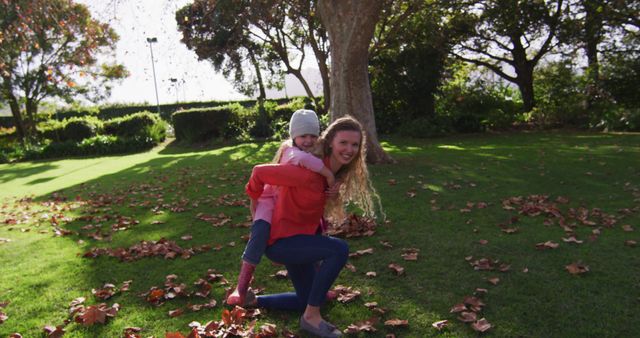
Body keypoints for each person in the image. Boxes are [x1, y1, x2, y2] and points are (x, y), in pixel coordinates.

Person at [244, 116, 381, 337]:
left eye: (355, 144)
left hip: (299, 239)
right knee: (339, 249)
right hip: (282, 241)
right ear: (329, 143)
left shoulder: (332, 174)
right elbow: (259, 173)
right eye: (343, 143)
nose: (349, 149)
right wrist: (256, 216)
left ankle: (254, 300)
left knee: (308, 298)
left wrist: (333, 193)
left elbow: (314, 208)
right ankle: (310, 318)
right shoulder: (307, 172)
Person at [226, 109, 336, 306]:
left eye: (313, 136)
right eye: (303, 136)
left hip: (287, 204)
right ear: (294, 137)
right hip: (269, 200)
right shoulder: (292, 152)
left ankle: (320, 289)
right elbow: (303, 161)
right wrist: (328, 174)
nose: (308, 140)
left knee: (316, 235)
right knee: (260, 232)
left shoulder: (313, 153)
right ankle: (241, 287)